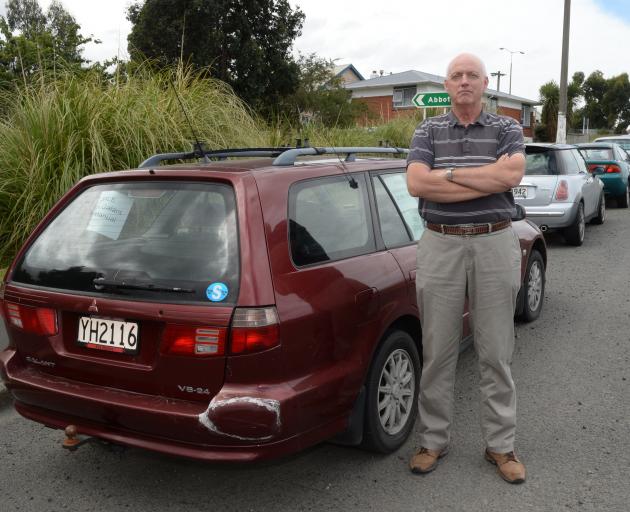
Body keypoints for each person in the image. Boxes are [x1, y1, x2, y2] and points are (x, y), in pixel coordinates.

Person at [406, 53, 527, 484]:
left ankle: (501, 446)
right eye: (456, 75)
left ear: (484, 83)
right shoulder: (427, 129)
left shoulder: (507, 128)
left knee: (496, 352)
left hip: (495, 241)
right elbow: (418, 184)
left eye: (471, 75)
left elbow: (510, 176)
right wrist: (482, 176)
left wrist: (449, 175)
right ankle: (432, 440)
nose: (463, 82)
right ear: (447, 83)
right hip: (440, 244)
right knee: (437, 351)